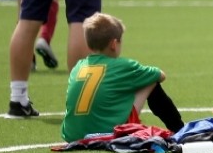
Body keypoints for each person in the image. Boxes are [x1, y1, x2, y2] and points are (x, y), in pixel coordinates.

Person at [61, 12, 184, 142]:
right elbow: (160, 75)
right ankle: (179, 129)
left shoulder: (78, 66)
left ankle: (179, 129)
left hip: (71, 135)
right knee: (150, 80)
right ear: (114, 44)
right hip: (107, 134)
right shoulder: (123, 66)